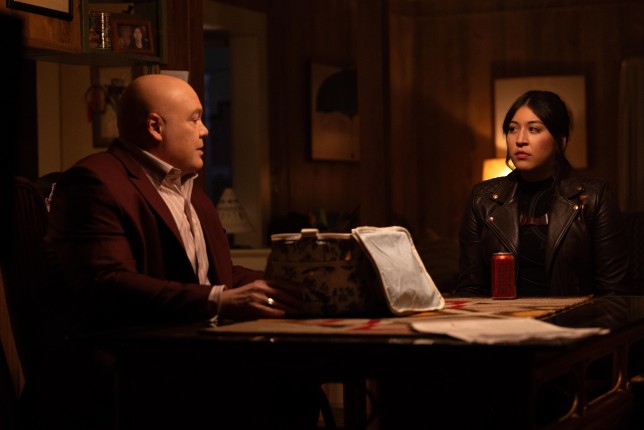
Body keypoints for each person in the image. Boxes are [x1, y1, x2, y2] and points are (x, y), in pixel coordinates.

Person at [46, 74, 319, 429]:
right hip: (137, 368)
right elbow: (108, 283)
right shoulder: (95, 181)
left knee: (298, 380)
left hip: (192, 354)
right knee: (286, 387)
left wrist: (296, 283)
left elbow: (217, 274)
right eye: (194, 119)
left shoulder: (191, 192)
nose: (205, 130)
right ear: (155, 127)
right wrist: (219, 300)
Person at [456, 90, 628, 297]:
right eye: (512, 129)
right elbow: (470, 288)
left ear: (560, 141)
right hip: (502, 316)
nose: (520, 140)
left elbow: (613, 292)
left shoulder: (594, 197)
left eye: (534, 129)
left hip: (575, 316)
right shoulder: (482, 199)